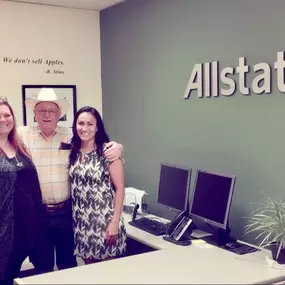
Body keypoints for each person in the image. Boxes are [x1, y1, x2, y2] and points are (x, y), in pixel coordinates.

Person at [17, 88, 124, 273]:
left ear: (60, 114)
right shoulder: (22, 136)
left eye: (52, 110)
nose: (47, 115)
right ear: (34, 113)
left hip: (67, 213)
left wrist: (118, 147)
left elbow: (94, 141)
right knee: (43, 265)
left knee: (69, 264)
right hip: (39, 214)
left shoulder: (70, 136)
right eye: (41, 110)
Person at [69, 106, 127, 264]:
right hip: (82, 225)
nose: (85, 128)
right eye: (81, 123)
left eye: (90, 124)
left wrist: (115, 222)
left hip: (105, 224)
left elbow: (120, 188)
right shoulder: (73, 151)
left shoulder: (108, 152)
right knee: (89, 272)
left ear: (97, 127)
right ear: (75, 126)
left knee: (109, 274)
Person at [0, 98, 43, 285]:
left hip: (25, 228)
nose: (3, 119)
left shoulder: (19, 146)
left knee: (12, 273)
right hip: (3, 230)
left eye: (7, 115)